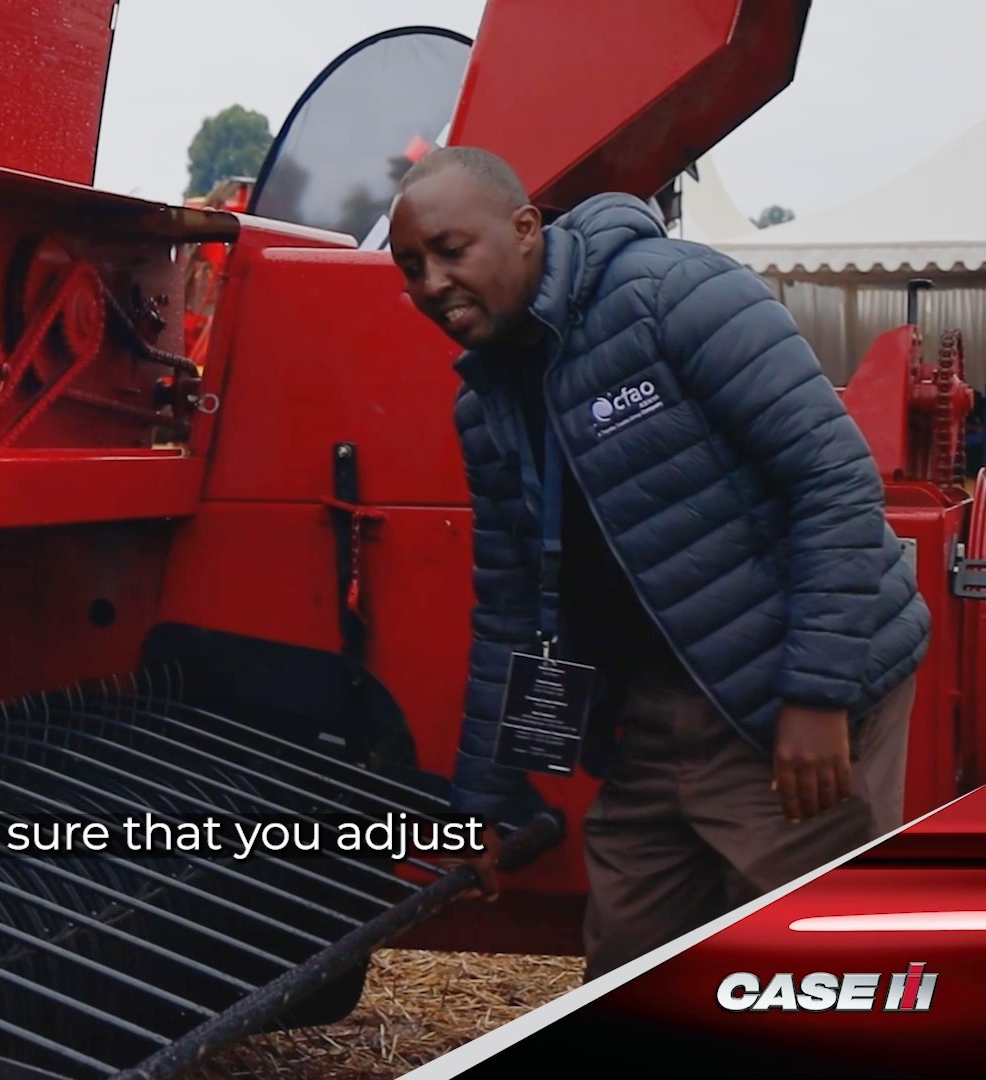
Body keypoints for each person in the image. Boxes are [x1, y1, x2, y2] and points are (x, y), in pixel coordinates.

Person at [385, 146, 931, 981]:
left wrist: (818, 698)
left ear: (526, 227)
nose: (431, 284)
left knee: (799, 972)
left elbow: (833, 484)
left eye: (452, 252)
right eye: (411, 267)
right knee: (628, 957)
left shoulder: (674, 296)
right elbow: (512, 607)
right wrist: (483, 806)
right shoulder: (485, 403)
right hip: (647, 718)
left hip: (787, 696)